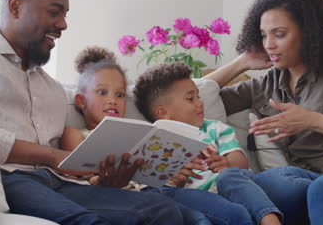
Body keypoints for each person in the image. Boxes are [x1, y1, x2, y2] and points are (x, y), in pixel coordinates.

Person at [0, 0, 189, 225]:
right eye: (54, 12)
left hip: (57, 181)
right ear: (15, 7)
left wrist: (103, 179)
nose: (63, 24)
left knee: (161, 208)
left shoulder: (50, 88)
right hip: (3, 179)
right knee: (87, 221)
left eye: (65, 14)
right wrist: (53, 157)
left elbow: (63, 162)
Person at [204, 0, 323, 225]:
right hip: (313, 179)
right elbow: (193, 99)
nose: (269, 44)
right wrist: (241, 63)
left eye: (279, 34)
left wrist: (314, 120)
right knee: (260, 186)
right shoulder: (266, 84)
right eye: (263, 35)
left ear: (310, 34)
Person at [60, 46, 253, 225]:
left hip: (155, 193)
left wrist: (176, 175)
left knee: (199, 218)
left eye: (120, 95)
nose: (112, 100)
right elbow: (76, 177)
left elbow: (159, 179)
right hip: (119, 199)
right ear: (81, 101)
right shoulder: (74, 133)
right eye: (102, 92)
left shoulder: (140, 131)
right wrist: (101, 181)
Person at [133, 62, 283, 225]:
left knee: (230, 176)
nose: (200, 103)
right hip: (203, 204)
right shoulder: (154, 145)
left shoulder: (213, 128)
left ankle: (268, 219)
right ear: (163, 113)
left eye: (198, 96)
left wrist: (226, 162)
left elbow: (241, 163)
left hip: (234, 189)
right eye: (190, 99)